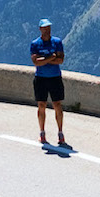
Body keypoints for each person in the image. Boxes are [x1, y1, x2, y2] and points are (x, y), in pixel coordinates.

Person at [29, 19, 66, 148]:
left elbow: (60, 60)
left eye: (49, 27)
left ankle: (60, 133)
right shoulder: (35, 44)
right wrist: (51, 57)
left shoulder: (57, 42)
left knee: (57, 104)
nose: (47, 30)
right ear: (40, 29)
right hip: (41, 78)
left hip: (55, 77)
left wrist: (44, 59)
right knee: (41, 105)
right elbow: (36, 62)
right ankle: (42, 132)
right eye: (45, 28)